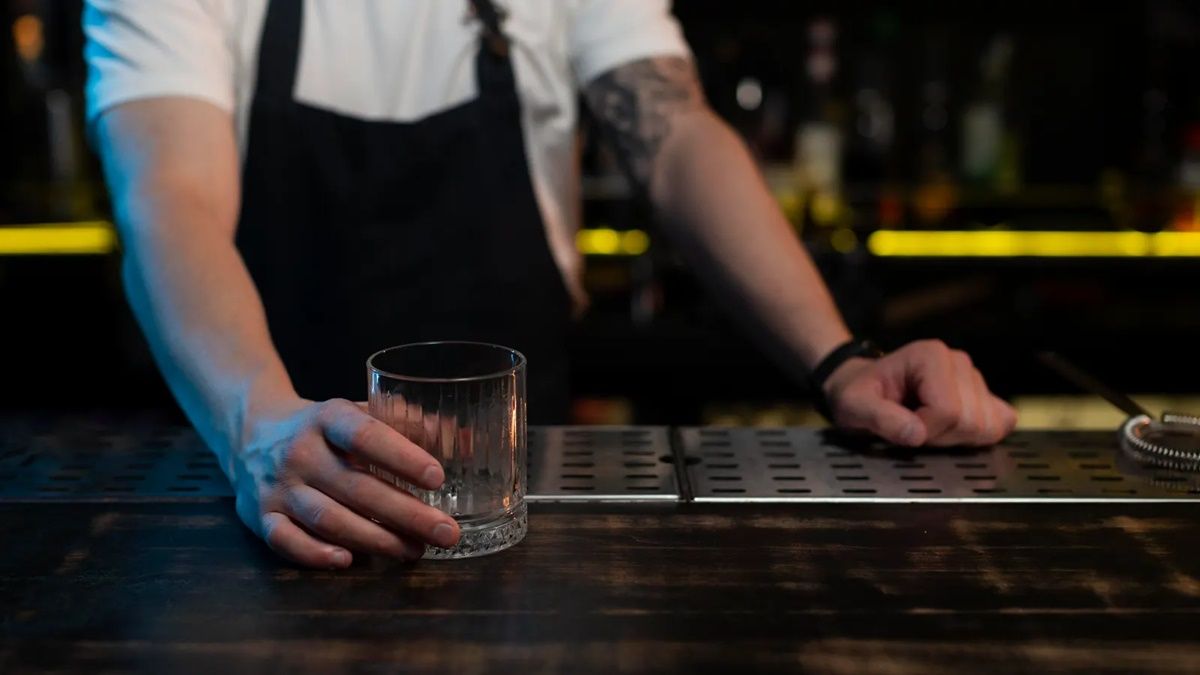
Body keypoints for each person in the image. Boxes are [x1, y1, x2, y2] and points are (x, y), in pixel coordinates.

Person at [85, 0, 1017, 568]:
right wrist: (259, 425)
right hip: (271, 507)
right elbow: (169, 197)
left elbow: (675, 135)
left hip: (516, 511)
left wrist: (841, 360)